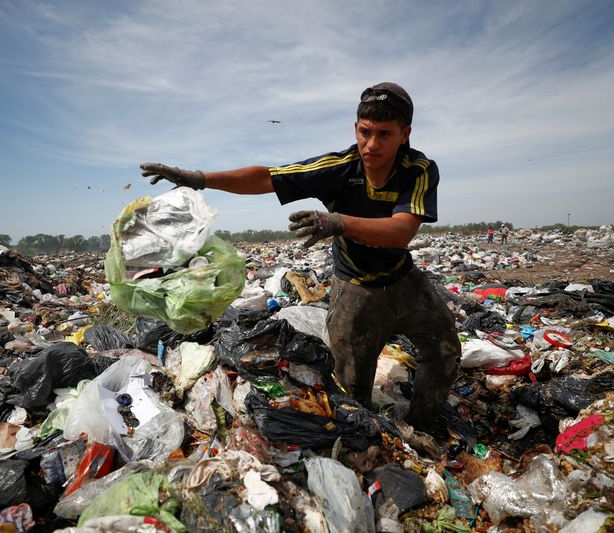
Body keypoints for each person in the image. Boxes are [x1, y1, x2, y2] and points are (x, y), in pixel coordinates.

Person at [140, 82, 460, 435]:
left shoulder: (418, 169)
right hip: (355, 287)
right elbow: (267, 177)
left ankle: (424, 429)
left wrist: (339, 222)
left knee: (444, 347)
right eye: (364, 132)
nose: (371, 145)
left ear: (405, 134)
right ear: (355, 127)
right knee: (352, 392)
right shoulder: (338, 168)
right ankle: (373, 442)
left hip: (403, 280)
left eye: (384, 134)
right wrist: (199, 178)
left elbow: (402, 231)